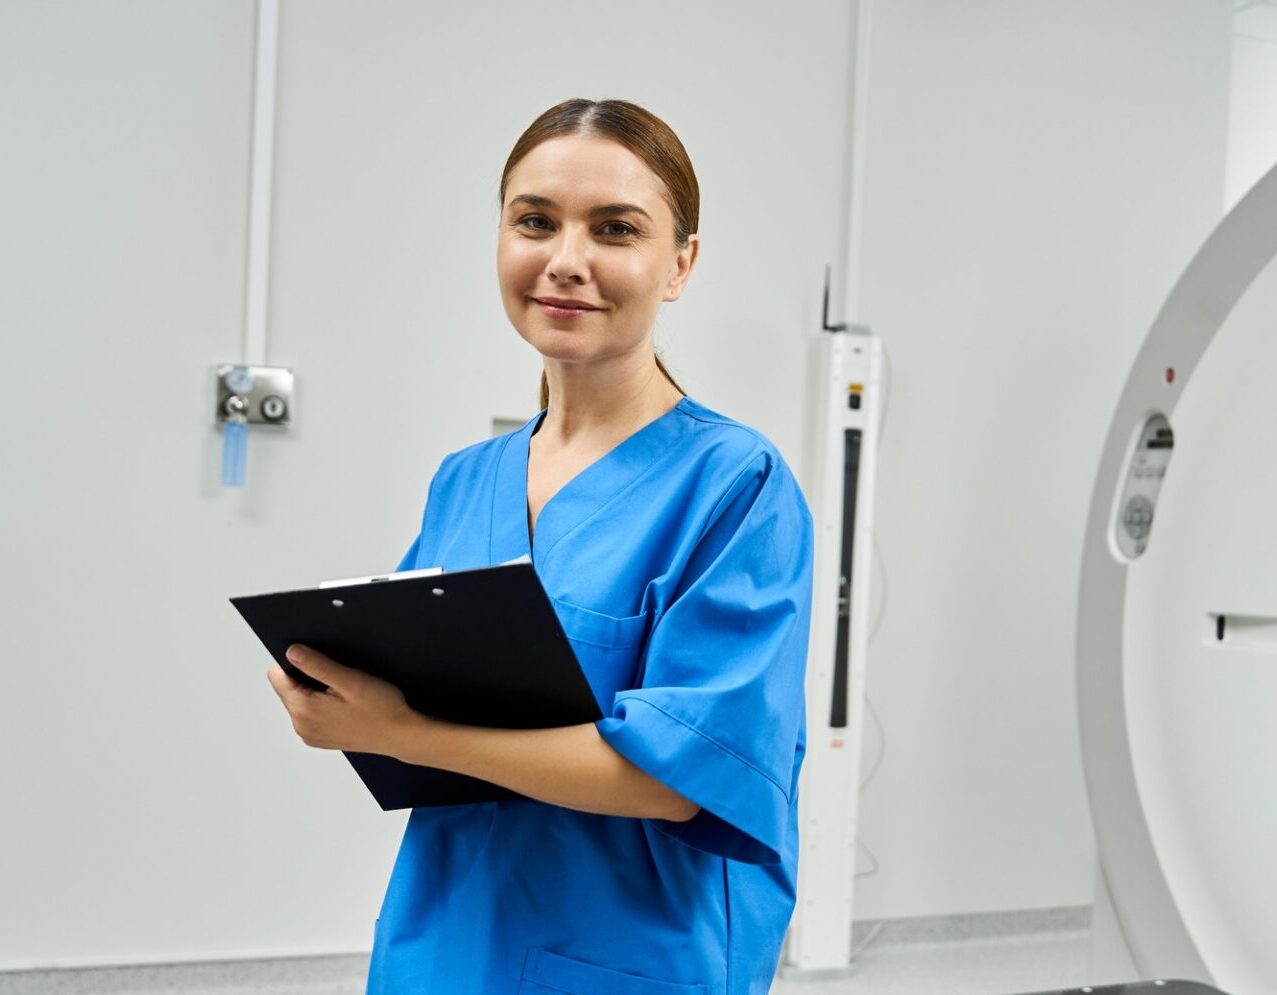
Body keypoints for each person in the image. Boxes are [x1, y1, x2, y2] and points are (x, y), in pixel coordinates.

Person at [267, 98, 815, 995]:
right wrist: (337, 700)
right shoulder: (465, 479)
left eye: (614, 228)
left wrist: (401, 728)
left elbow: (681, 776)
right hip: (445, 936)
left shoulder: (733, 483)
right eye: (534, 221)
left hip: (630, 955)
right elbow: (421, 706)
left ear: (679, 264)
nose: (566, 261)